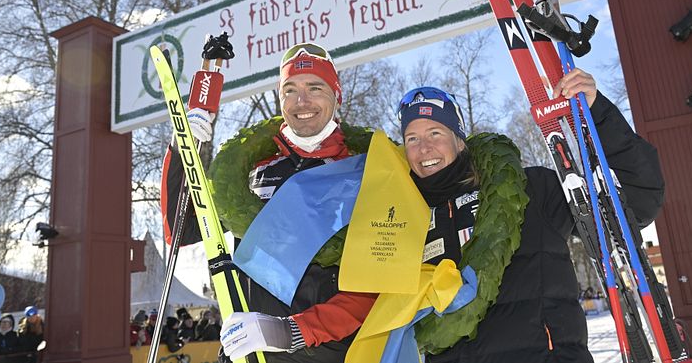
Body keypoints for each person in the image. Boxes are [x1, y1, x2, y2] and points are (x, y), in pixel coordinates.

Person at [395, 69, 664, 363]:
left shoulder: (531, 190)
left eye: (435, 133)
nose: (424, 148)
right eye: (412, 138)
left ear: (460, 141)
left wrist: (595, 114)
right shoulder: (398, 222)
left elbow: (636, 203)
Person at [161, 43, 376, 362]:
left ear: (337, 95)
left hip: (327, 351)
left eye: (315, 87)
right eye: (290, 90)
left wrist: (292, 331)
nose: (302, 101)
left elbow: (375, 283)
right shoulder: (252, 170)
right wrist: (182, 149)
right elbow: (182, 230)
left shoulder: (365, 170)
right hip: (248, 350)